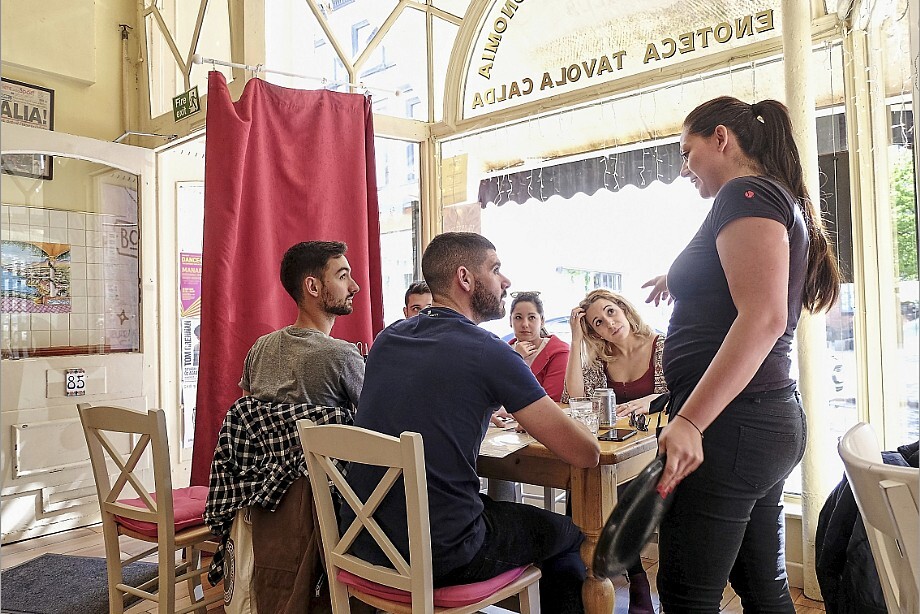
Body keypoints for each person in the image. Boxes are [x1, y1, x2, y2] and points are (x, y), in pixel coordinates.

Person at [646, 96, 841, 613]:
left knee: (687, 594)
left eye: (688, 152)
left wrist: (689, 421)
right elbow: (752, 285)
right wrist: (681, 279)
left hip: (732, 427)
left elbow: (764, 317)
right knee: (761, 585)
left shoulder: (743, 193)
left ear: (722, 140)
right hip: (760, 422)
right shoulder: (768, 199)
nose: (685, 168)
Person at [342, 232, 599, 614]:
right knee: (568, 535)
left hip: (361, 539)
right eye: (496, 269)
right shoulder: (488, 350)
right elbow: (585, 453)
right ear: (465, 278)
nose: (506, 282)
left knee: (483, 508)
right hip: (440, 552)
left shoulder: (387, 338)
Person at [206, 240, 366, 614]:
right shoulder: (342, 356)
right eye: (343, 276)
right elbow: (373, 430)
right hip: (327, 516)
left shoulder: (259, 348)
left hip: (259, 510)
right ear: (313, 287)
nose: (354, 286)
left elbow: (245, 422)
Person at [563, 288, 666, 614]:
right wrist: (576, 341)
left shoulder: (661, 346)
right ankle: (634, 577)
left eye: (610, 311)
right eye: (597, 322)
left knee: (611, 490)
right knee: (584, 483)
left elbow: (681, 391)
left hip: (657, 448)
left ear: (623, 308)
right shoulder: (602, 359)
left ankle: (630, 581)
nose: (608, 323)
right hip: (618, 451)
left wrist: (648, 400)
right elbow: (573, 398)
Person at [508, 291, 570, 402]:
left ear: (542, 321)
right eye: (518, 317)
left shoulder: (558, 352)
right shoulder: (502, 352)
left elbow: (549, 400)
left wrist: (516, 361)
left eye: (531, 317)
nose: (525, 324)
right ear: (510, 321)